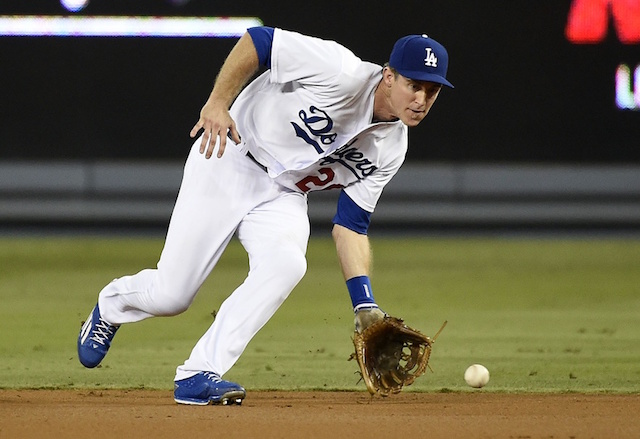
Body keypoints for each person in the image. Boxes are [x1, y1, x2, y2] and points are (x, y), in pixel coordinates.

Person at [77, 26, 453, 405]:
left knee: (288, 264)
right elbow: (259, 41)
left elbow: (351, 226)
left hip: (284, 195)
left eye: (431, 91)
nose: (421, 98)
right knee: (172, 295)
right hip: (230, 158)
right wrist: (218, 103)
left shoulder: (391, 149)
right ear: (389, 76)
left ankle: (198, 373)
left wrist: (364, 303)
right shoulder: (338, 69)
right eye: (413, 84)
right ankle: (110, 306)